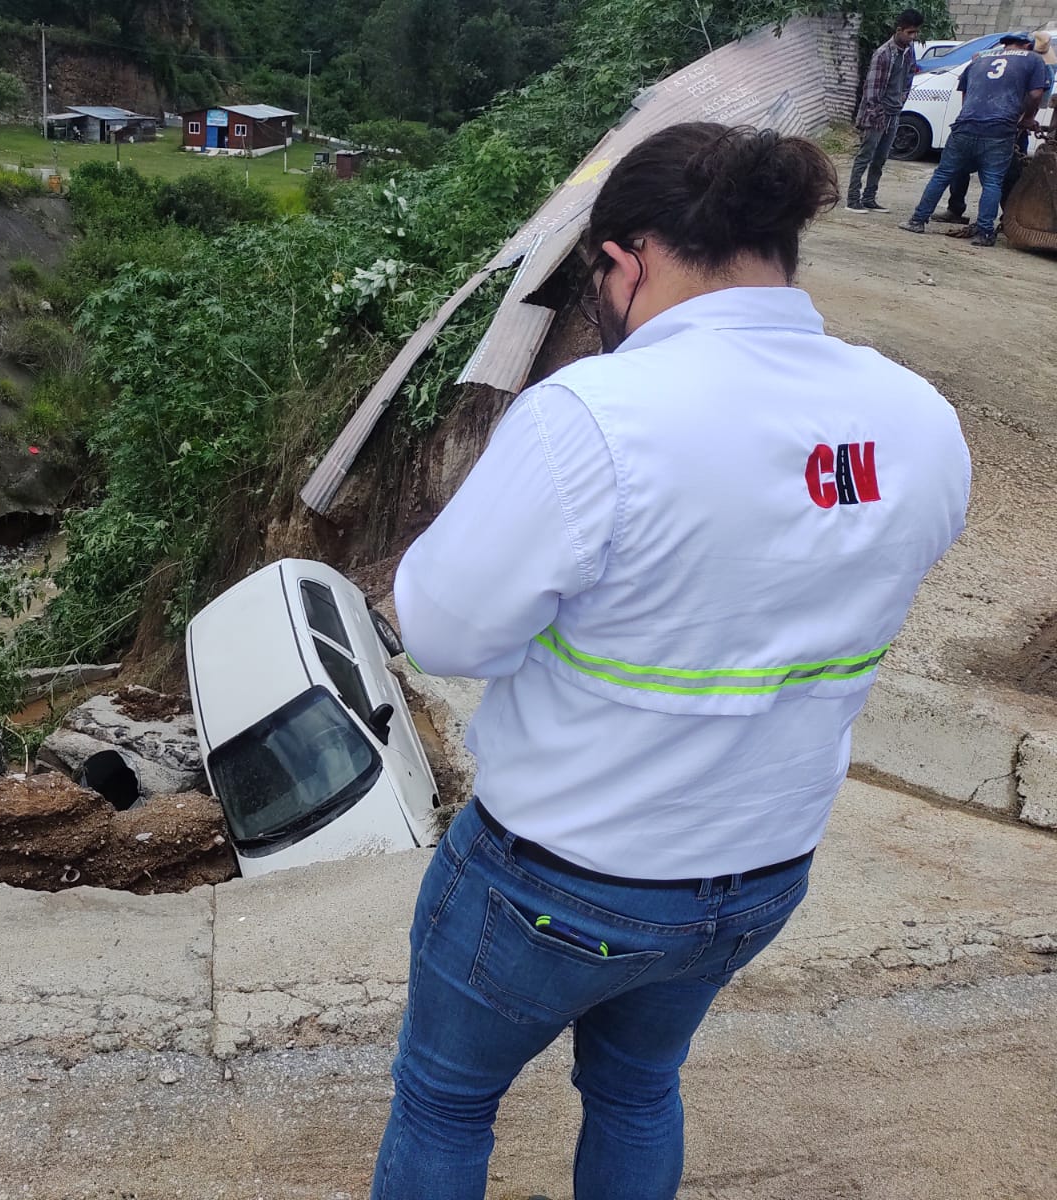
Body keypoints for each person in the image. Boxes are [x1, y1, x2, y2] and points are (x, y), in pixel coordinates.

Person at [372, 122, 970, 1200]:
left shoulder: (595, 418)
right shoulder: (916, 416)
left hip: (553, 883)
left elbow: (446, 631)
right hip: (757, 874)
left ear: (625, 258)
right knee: (639, 1089)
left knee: (446, 1101)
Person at [901, 31, 1049, 245]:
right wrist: (1027, 119)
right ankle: (985, 233)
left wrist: (972, 117)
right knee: (992, 181)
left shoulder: (981, 58)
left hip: (965, 126)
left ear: (1006, 44)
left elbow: (965, 92)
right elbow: (1036, 95)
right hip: (1000, 129)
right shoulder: (1033, 59)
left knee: (942, 174)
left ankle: (917, 220)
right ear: (1026, 46)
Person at [846, 10, 923, 212]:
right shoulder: (883, 54)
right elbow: (871, 91)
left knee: (881, 159)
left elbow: (909, 78)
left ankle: (869, 198)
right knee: (865, 156)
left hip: (894, 113)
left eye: (915, 33)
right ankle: (852, 199)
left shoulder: (908, 52)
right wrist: (878, 113)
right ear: (899, 30)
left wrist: (902, 99)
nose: (913, 37)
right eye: (910, 32)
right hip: (876, 114)